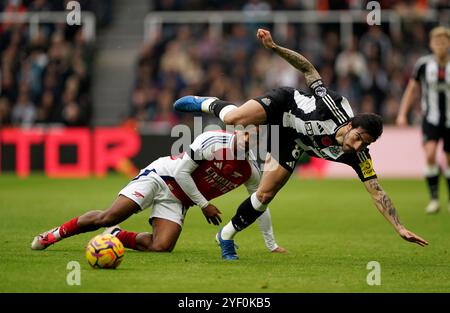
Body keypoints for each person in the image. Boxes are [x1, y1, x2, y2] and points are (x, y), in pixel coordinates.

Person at [174, 28, 428, 260]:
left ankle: (225, 236)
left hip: (293, 140)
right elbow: (308, 68)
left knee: (264, 195)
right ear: (351, 126)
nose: (359, 146)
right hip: (285, 105)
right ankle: (207, 102)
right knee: (233, 119)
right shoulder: (333, 107)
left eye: (366, 144)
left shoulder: (359, 157)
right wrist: (274, 47)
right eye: (359, 137)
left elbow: (377, 192)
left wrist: (400, 227)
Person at [31, 129, 286, 255]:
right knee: (108, 216)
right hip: (162, 177)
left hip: (180, 199)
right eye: (244, 134)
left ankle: (116, 236)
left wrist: (271, 244)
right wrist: (204, 204)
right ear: (237, 131)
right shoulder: (211, 141)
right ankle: (54, 234)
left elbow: (259, 204)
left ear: (257, 142)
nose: (246, 140)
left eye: (252, 138)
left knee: (162, 247)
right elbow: (181, 174)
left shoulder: (250, 170)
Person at [396, 26, 450, 214]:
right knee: (430, 154)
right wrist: (402, 113)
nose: (440, 46)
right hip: (431, 118)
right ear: (431, 44)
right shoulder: (423, 65)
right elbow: (412, 90)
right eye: (437, 42)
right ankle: (434, 199)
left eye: (444, 42)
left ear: (448, 44)